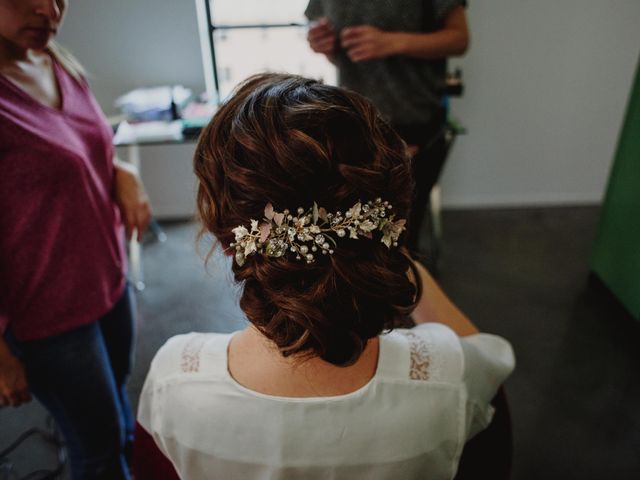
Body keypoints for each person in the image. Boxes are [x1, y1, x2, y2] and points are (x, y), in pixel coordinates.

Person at [135, 73, 514, 480]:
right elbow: (489, 374)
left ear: (228, 238)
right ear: (395, 222)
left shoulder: (174, 382)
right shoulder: (455, 382)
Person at [0, 1, 151, 478]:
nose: (49, 9)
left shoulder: (56, 59)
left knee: (120, 419)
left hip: (107, 280)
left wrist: (121, 170)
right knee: (98, 449)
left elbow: (81, 151)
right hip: (47, 315)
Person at [305, 0, 469, 254]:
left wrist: (394, 42)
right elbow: (329, 41)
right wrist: (322, 43)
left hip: (414, 122)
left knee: (399, 238)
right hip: (355, 123)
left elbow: (459, 39)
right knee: (356, 239)